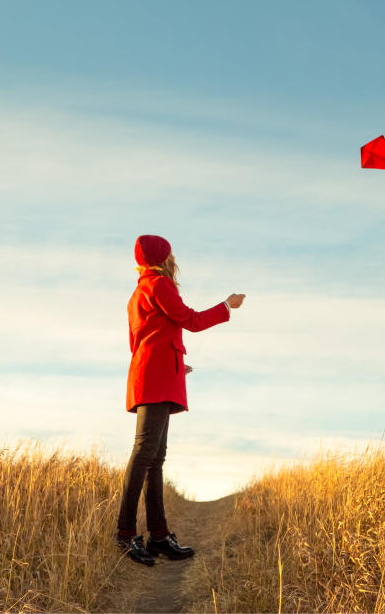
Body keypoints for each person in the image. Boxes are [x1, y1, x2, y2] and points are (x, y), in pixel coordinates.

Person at [114, 234, 246, 566]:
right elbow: (192, 320)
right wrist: (227, 306)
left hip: (154, 375)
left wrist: (173, 363)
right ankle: (125, 534)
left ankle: (158, 536)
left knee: (154, 458)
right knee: (145, 454)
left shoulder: (140, 291)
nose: (175, 259)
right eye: (171, 254)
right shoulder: (159, 285)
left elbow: (142, 340)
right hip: (156, 379)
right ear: (164, 258)